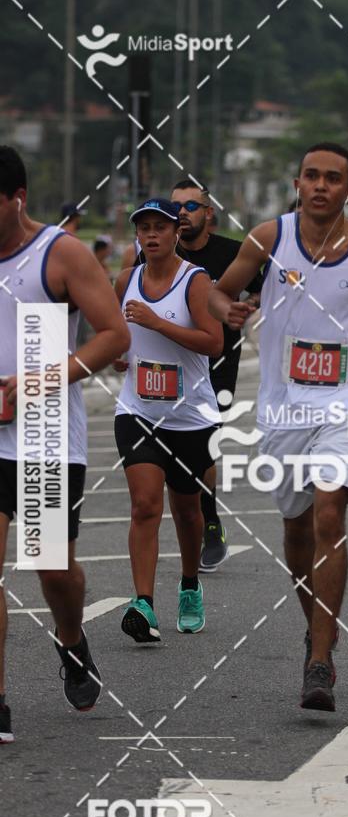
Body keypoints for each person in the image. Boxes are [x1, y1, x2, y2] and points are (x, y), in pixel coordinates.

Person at [209, 142, 348, 712]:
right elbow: (222, 290)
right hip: (282, 405)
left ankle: (319, 663)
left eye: (333, 178)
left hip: (346, 400)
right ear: (298, 183)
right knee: (296, 529)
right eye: (311, 176)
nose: (320, 185)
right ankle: (318, 628)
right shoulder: (269, 239)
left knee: (329, 512)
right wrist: (232, 311)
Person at [0, 146, 129, 742]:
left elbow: (112, 335)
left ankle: (72, 639)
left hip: (46, 437)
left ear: (17, 199)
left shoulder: (58, 254)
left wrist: (36, 381)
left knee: (53, 569)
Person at [113, 198, 223, 643]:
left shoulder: (195, 282)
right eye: (144, 229)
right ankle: (143, 603)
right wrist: (120, 355)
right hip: (137, 409)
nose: (152, 235)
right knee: (144, 505)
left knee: (188, 511)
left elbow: (213, 343)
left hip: (190, 415)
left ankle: (190, 585)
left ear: (177, 232)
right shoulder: (125, 280)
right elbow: (114, 333)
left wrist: (158, 323)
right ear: (137, 235)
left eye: (161, 227)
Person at [170, 180, 263, 572]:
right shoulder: (157, 252)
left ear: (210, 213)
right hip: (167, 361)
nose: (182, 212)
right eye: (176, 206)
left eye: (192, 205)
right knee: (171, 454)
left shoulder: (231, 252)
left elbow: (262, 291)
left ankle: (209, 520)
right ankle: (191, 517)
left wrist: (244, 308)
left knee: (203, 443)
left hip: (216, 361)